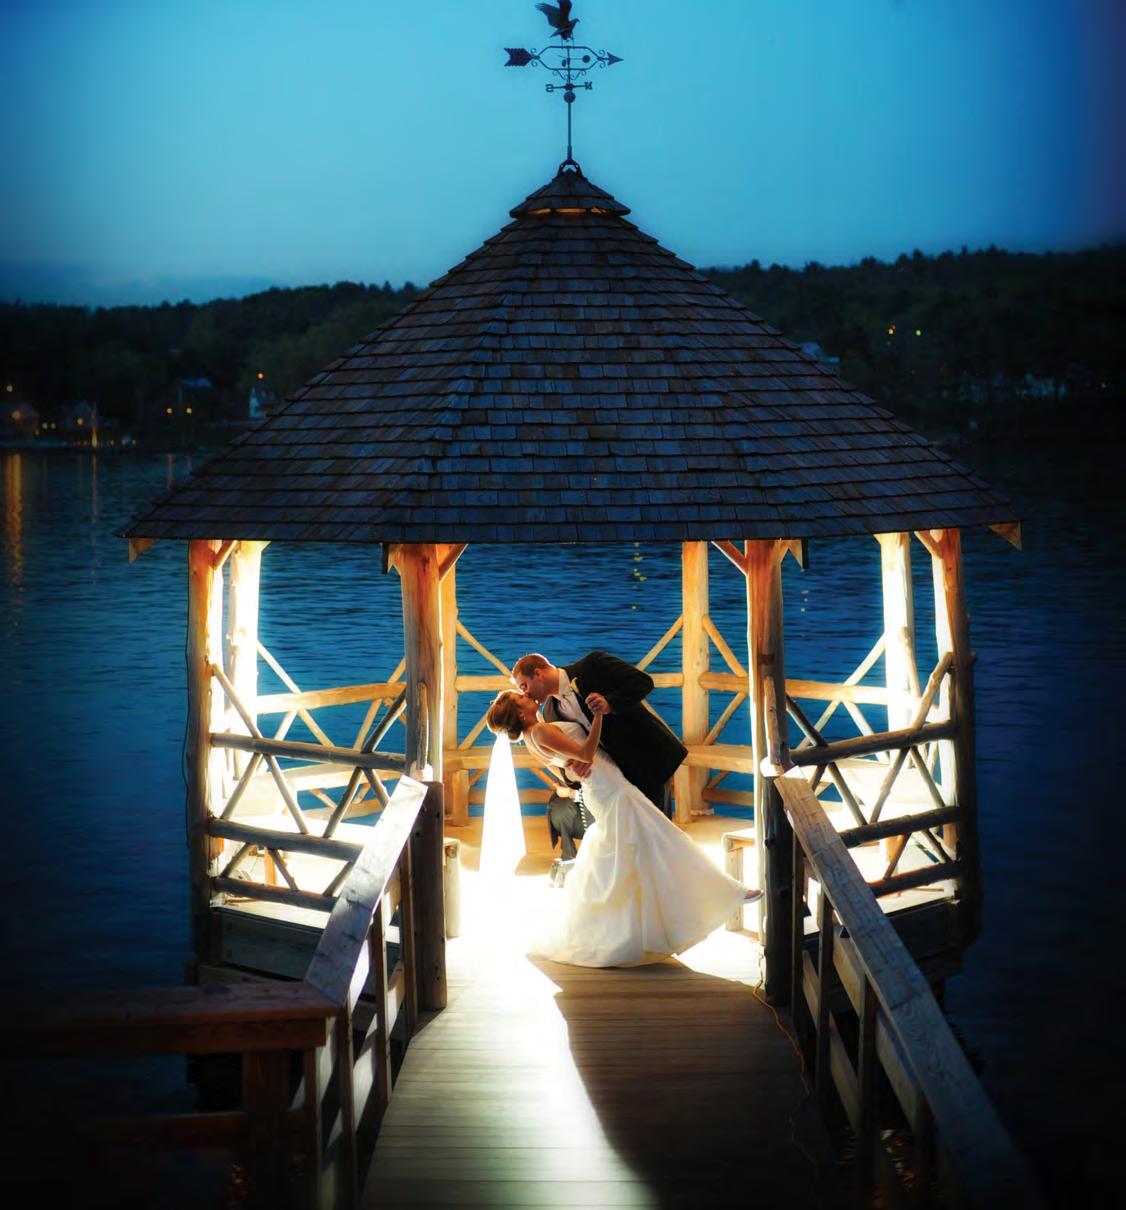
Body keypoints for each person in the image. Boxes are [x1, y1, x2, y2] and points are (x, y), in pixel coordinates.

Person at [485, 690, 758, 968]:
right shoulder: (540, 731)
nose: (527, 695)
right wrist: (598, 717)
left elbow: (565, 772)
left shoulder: (531, 739)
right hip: (610, 788)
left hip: (602, 786)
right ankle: (726, 893)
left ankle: (641, 924)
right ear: (521, 713)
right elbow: (586, 753)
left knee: (645, 846)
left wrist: (573, 767)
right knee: (664, 838)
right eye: (521, 698)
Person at [511, 651, 685, 819]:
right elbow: (566, 764)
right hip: (613, 783)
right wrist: (572, 772)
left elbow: (643, 682)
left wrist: (610, 703)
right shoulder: (550, 713)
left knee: (657, 828)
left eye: (524, 686)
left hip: (646, 760)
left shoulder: (592, 665)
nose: (525, 693)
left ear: (538, 674)